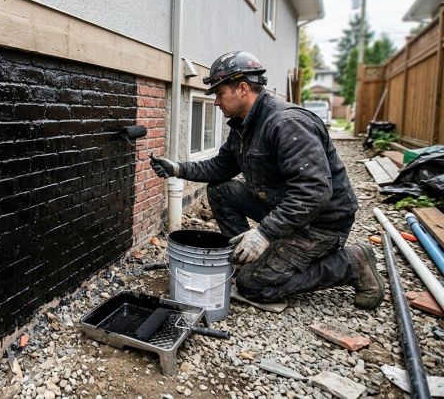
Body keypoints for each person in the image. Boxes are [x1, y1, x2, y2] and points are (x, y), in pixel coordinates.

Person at [150, 51, 384, 309]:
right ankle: (249, 257)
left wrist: (264, 233)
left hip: (321, 223)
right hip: (284, 208)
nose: (216, 102)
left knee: (253, 286)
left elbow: (314, 192)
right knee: (222, 190)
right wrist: (178, 168)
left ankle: (352, 263)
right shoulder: (244, 126)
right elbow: (222, 167)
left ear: (242, 88)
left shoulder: (287, 124)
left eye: (219, 93)